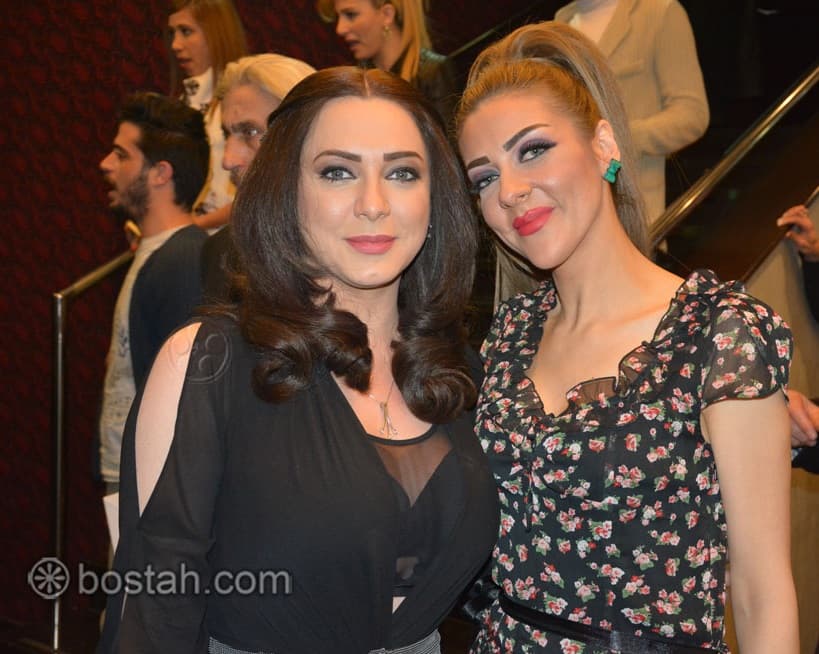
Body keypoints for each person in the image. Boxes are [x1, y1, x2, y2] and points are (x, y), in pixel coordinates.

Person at [97, 66, 499, 654]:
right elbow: (154, 614)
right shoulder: (209, 363)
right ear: (287, 193)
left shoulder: (462, 370)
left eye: (402, 172)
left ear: (435, 199)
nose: (373, 204)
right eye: (337, 172)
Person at [455, 21, 798, 653]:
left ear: (604, 144)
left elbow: (761, 592)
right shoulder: (509, 334)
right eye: (484, 177)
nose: (510, 191)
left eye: (533, 150)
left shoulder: (717, 334)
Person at [97, 91, 208, 495]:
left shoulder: (184, 260)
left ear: (160, 173)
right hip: (132, 475)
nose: (106, 164)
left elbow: (187, 399)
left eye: (121, 155)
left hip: (154, 484)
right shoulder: (159, 253)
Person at [554, 0, 709, 223]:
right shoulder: (559, 26)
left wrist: (621, 139)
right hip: (572, 215)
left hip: (635, 213)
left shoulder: (659, 13)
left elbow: (692, 114)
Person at [201, 53, 317, 302]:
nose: (228, 160)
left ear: (306, 135)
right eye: (227, 134)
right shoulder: (222, 254)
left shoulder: (362, 244)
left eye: (250, 132)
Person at [168, 0, 248, 229]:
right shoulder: (181, 103)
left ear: (217, 33)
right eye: (173, 33)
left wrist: (194, 225)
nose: (175, 45)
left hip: (232, 238)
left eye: (186, 31)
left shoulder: (246, 102)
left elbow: (264, 186)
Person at [316, 0, 458, 125]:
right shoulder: (354, 83)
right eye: (339, 17)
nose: (340, 29)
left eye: (351, 14)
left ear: (387, 14)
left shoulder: (431, 73)